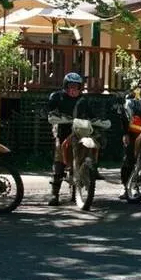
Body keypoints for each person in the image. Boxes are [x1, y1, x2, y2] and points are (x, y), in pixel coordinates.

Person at [46, 72, 93, 206]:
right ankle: (55, 194)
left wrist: (97, 120)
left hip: (80, 131)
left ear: (80, 88)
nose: (73, 89)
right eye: (71, 86)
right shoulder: (57, 97)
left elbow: (92, 115)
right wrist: (53, 115)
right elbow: (49, 110)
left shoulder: (84, 100)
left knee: (85, 151)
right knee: (59, 161)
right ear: (65, 87)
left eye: (76, 87)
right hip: (62, 131)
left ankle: (76, 191)